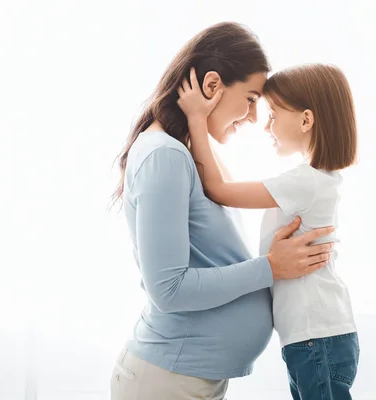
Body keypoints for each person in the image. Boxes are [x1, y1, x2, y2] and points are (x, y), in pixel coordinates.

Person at [109, 22, 334, 400]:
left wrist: (198, 120)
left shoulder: (185, 153)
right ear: (213, 86)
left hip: (185, 377)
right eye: (250, 99)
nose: (252, 118)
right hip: (167, 381)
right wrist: (271, 267)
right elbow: (169, 289)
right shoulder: (164, 156)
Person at [177, 63, 360, 399]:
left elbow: (217, 188)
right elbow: (226, 183)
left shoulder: (304, 182)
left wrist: (196, 121)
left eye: (273, 115)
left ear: (306, 120)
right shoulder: (313, 181)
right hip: (317, 337)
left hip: (315, 340)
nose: (266, 127)